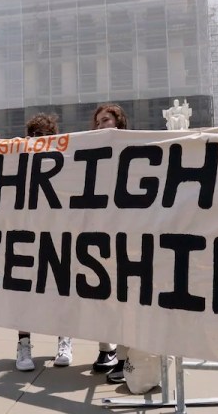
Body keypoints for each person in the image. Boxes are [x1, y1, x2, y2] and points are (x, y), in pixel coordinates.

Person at [15, 113, 73, 371]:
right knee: (23, 293)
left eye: (44, 136)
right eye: (35, 135)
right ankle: (23, 344)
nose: (39, 140)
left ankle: (64, 339)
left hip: (57, 234)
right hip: (26, 235)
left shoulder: (65, 162)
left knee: (59, 291)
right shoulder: (17, 160)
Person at [89, 104, 129, 383]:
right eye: (98, 121)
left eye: (107, 119)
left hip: (127, 235)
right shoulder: (90, 152)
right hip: (99, 234)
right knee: (99, 295)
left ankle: (126, 358)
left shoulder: (133, 147)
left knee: (126, 299)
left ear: (119, 122)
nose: (102, 124)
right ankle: (107, 350)